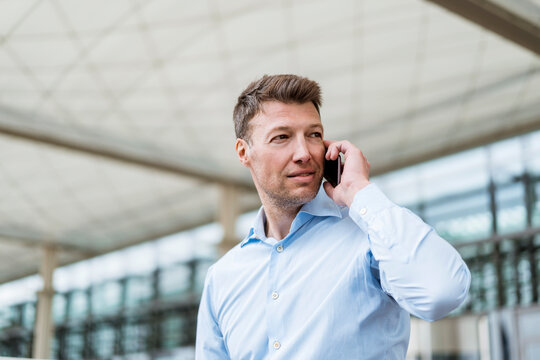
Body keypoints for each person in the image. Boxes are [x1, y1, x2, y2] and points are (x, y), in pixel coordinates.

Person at [195, 74, 471, 359]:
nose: (304, 153)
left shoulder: (371, 239)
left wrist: (359, 192)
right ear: (244, 151)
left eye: (314, 134)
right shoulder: (222, 277)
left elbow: (443, 293)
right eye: (282, 137)